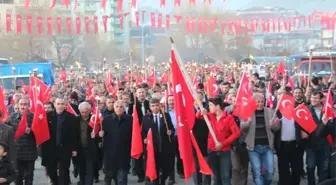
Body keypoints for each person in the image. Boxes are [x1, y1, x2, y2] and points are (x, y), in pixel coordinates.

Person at [198, 96, 241, 185]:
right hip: (212, 151)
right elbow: (198, 116)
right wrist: (202, 111)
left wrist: (223, 143)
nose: (209, 108)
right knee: (216, 177)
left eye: (211, 105)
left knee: (225, 176)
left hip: (224, 152)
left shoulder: (228, 118)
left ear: (217, 106)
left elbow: (236, 133)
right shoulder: (210, 116)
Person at [142, 98, 175, 185]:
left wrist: (170, 132)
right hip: (153, 149)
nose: (155, 108)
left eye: (157, 105)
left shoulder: (165, 116)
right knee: (155, 169)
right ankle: (155, 182)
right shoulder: (146, 117)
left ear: (160, 106)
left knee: (165, 169)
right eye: (153, 106)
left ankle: (163, 180)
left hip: (164, 147)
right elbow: (143, 132)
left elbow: (171, 128)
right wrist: (144, 138)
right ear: (150, 107)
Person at [100, 100, 133, 185]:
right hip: (110, 153)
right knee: (111, 176)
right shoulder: (107, 120)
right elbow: (101, 136)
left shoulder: (130, 119)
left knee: (122, 178)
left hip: (124, 151)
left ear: (124, 108)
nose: (119, 109)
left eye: (121, 107)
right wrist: (100, 135)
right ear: (113, 108)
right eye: (117, 107)